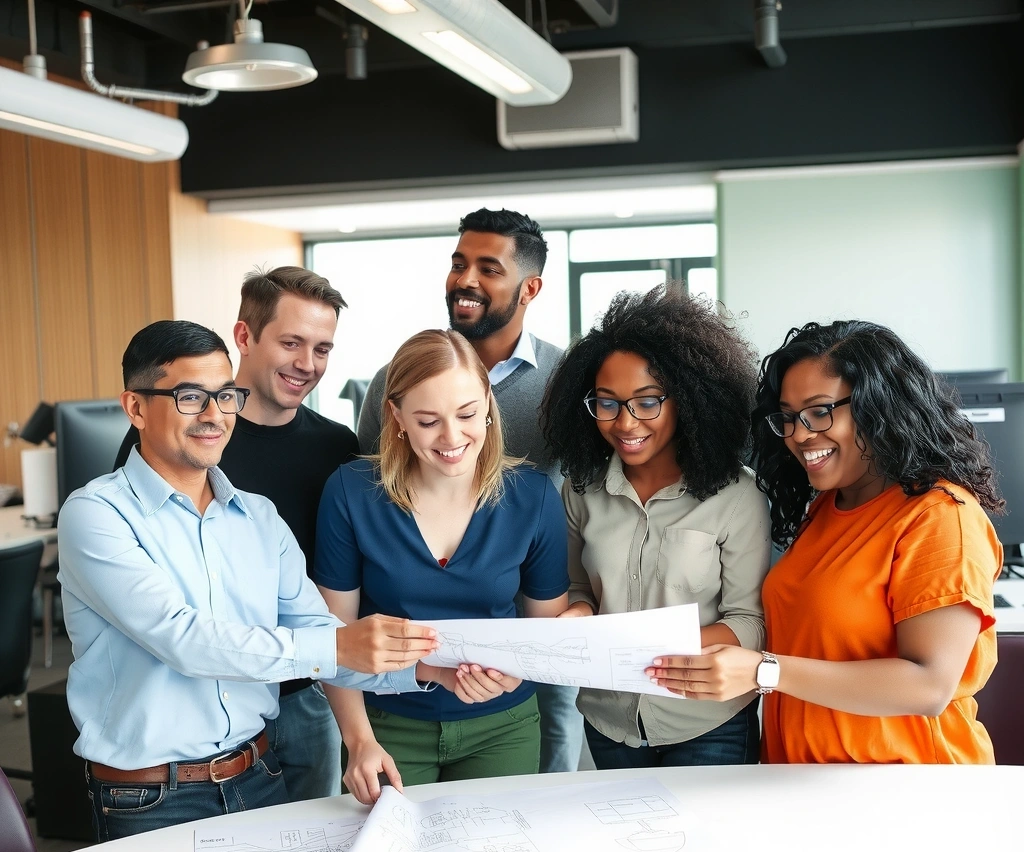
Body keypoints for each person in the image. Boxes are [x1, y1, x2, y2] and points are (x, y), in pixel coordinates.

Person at [60, 320, 441, 840]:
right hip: (150, 798)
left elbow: (318, 634)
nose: (215, 416)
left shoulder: (259, 517)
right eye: (191, 397)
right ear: (136, 408)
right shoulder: (95, 514)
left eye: (226, 396)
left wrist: (432, 670)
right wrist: (340, 647)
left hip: (259, 776)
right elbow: (185, 640)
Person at [649, 320, 1002, 764]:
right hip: (805, 781)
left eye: (819, 412)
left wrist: (764, 671)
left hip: (902, 786)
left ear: (881, 406)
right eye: (789, 418)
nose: (798, 434)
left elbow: (929, 685)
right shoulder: (828, 507)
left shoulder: (941, 516)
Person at [115, 267, 358, 802]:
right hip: (196, 700)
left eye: (322, 348)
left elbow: (329, 588)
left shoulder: (337, 446)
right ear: (244, 337)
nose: (307, 364)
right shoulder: (175, 440)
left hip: (308, 691)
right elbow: (167, 618)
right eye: (291, 342)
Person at [357, 208, 584, 775]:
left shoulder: (567, 380)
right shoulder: (396, 379)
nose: (466, 280)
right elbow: (375, 493)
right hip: (416, 633)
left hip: (528, 613)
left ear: (530, 288)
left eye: (489, 268)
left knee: (541, 786)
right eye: (459, 264)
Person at [317, 328, 569, 804]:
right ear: (397, 418)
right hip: (387, 725)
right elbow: (334, 636)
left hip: (504, 724)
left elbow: (546, 632)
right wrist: (359, 740)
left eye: (468, 414)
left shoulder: (533, 497)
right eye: (429, 421)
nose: (452, 438)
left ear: (489, 403)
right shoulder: (350, 492)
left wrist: (516, 672)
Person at [541, 285, 770, 767]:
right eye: (606, 403)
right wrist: (576, 617)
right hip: (609, 720)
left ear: (687, 400)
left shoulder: (737, 496)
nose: (624, 423)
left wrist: (647, 647)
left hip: (708, 722)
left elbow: (748, 623)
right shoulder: (580, 491)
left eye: (647, 402)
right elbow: (580, 589)